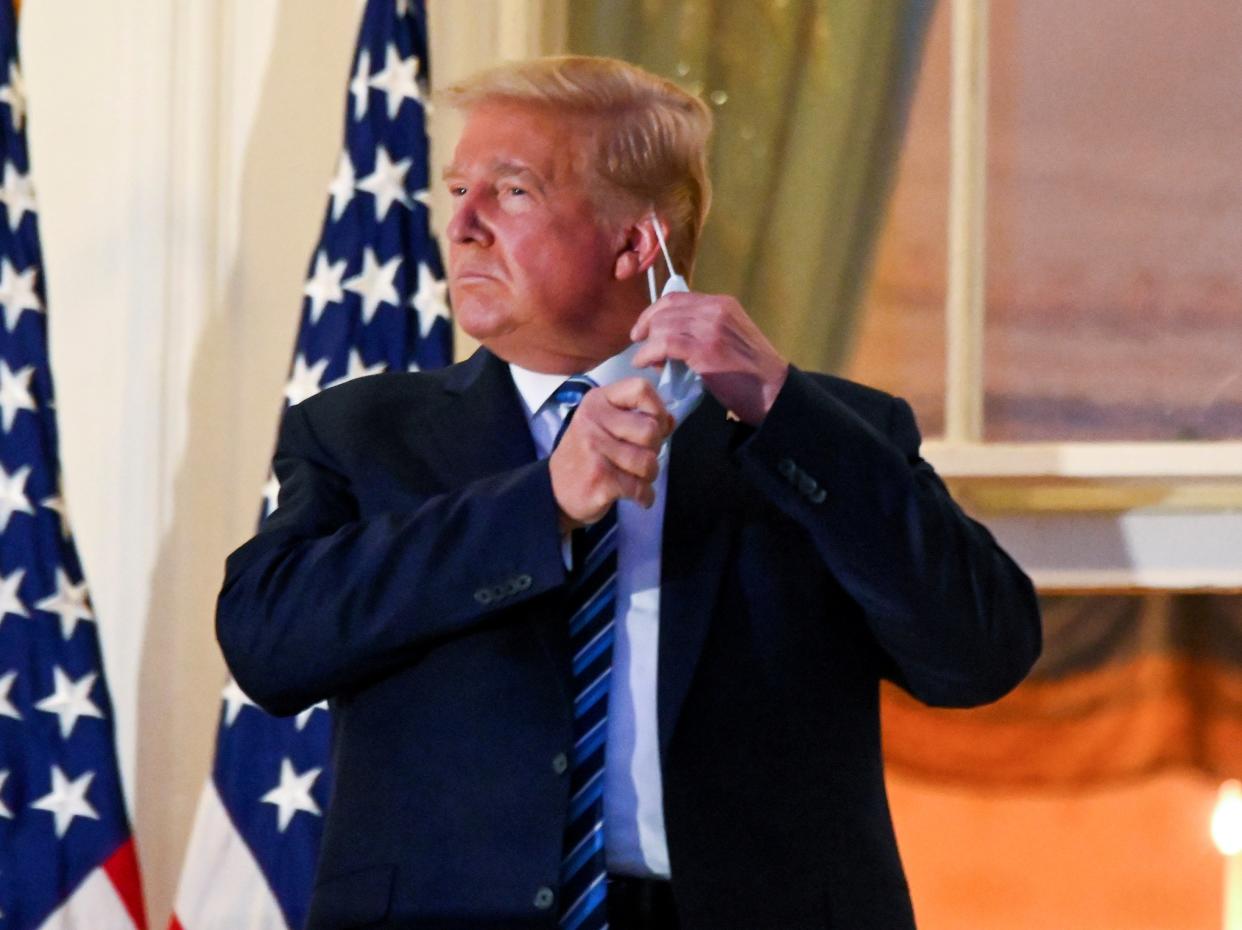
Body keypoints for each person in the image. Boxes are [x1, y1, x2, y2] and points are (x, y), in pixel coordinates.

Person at [217, 55, 1041, 930]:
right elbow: (268, 644)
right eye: (458, 190)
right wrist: (541, 505)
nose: (461, 225)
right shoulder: (361, 433)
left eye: (514, 192)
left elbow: (980, 654)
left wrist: (784, 412)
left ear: (636, 243)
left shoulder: (824, 435)